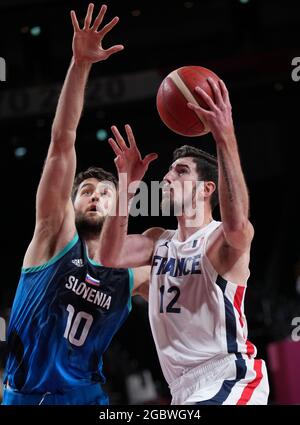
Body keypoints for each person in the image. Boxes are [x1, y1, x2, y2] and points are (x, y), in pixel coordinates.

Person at [2, 3, 149, 405]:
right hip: (27, 396)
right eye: (86, 191)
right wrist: (80, 64)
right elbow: (61, 142)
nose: (95, 195)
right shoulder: (54, 236)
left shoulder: (129, 277)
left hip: (89, 397)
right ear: (71, 203)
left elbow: (192, 276)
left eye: (105, 192)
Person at [98, 78, 270, 404]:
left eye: (180, 171)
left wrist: (224, 136)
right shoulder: (156, 242)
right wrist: (125, 183)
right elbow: (110, 255)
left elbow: (237, 222)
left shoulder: (220, 238)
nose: (166, 177)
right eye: (168, 172)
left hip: (229, 377)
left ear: (207, 189)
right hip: (183, 390)